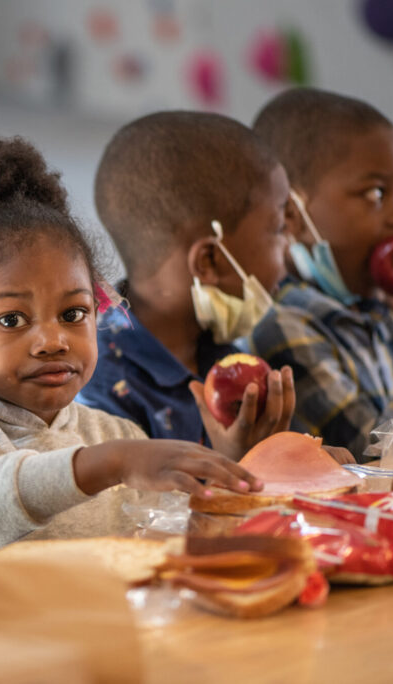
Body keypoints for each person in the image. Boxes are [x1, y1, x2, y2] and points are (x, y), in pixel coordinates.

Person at [0, 133, 263, 559]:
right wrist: (107, 464)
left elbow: (169, 542)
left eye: (73, 314)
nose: (52, 341)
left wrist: (236, 473)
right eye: (11, 320)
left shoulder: (113, 434)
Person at [249, 87, 393, 460]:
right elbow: (376, 465)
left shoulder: (369, 304)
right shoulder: (285, 324)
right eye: (376, 194)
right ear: (291, 213)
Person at [76, 111, 296, 454]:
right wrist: (237, 471)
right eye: (279, 229)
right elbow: (130, 508)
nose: (291, 250)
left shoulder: (226, 356)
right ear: (209, 261)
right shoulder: (100, 393)